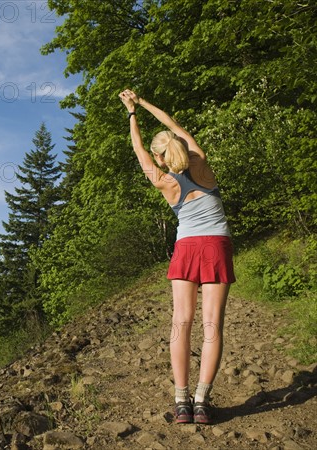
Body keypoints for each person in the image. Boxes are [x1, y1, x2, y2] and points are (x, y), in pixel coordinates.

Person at [119, 89, 236, 425]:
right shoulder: (201, 160)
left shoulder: (161, 179)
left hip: (187, 248)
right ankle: (201, 401)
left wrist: (131, 113)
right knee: (213, 324)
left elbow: (138, 149)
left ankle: (181, 402)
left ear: (161, 158)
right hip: (216, 245)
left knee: (181, 322)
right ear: (181, 146)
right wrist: (143, 102)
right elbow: (173, 125)